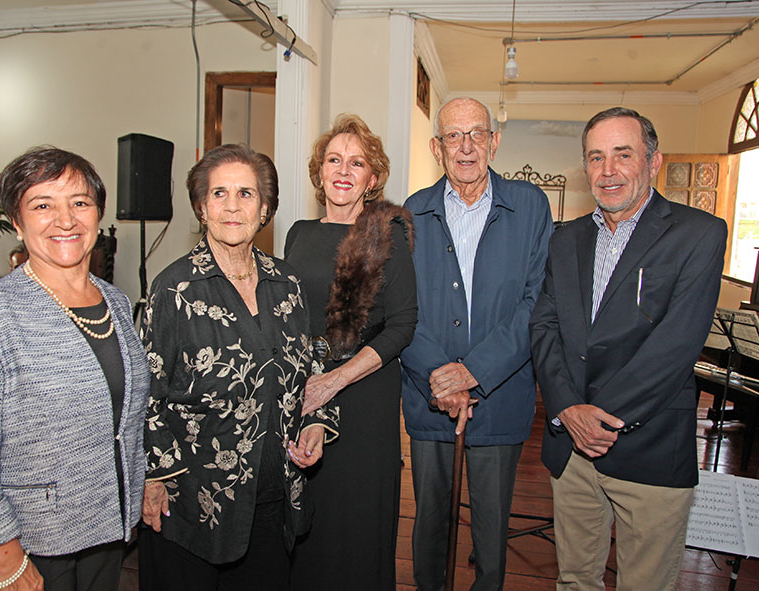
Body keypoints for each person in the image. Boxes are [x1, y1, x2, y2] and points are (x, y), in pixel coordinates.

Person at [0, 146, 150, 591]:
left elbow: (127, 419)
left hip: (105, 533)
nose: (65, 220)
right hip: (31, 547)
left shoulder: (116, 303)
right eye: (43, 205)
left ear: (97, 213)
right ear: (16, 220)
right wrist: (4, 560)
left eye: (79, 203)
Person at [530, 107, 727, 590]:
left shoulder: (698, 234)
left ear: (654, 160)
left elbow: (675, 347)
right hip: (572, 450)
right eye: (596, 158)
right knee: (575, 582)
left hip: (649, 448)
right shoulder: (565, 239)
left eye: (623, 154)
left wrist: (595, 417)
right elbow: (545, 325)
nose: (608, 171)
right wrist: (567, 409)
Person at [138, 144, 338, 591]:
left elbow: (312, 365)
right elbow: (145, 391)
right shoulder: (175, 289)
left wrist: (317, 422)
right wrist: (155, 478)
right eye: (219, 194)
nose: (232, 205)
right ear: (201, 207)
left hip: (271, 499)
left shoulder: (287, 284)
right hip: (192, 505)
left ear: (265, 208)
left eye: (246, 194)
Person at [401, 97, 553, 591]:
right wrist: (441, 376)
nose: (465, 147)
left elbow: (537, 301)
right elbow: (403, 309)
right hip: (431, 395)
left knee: (491, 532)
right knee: (431, 526)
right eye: (452, 136)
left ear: (494, 140)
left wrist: (474, 372)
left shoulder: (529, 205)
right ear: (436, 147)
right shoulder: (412, 212)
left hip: (500, 393)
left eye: (476, 134)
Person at [284, 114, 417, 591]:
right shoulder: (297, 232)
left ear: (372, 177)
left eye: (356, 163)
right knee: (307, 518)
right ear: (320, 171)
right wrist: (305, 385)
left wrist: (335, 381)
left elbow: (403, 324)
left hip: (363, 393)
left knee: (356, 521)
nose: (343, 170)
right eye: (333, 160)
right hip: (304, 389)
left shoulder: (387, 233)